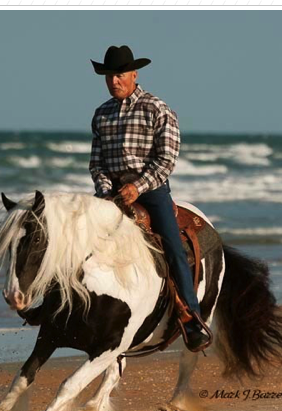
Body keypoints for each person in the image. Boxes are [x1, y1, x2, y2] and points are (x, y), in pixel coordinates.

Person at [89, 45, 211, 352]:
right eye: (108, 76)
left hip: (151, 189)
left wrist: (138, 187)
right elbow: (97, 163)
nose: (113, 81)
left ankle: (192, 318)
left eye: (119, 75)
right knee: (81, 240)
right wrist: (106, 192)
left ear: (134, 74)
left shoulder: (157, 108)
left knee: (171, 243)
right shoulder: (101, 114)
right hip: (112, 191)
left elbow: (166, 159)